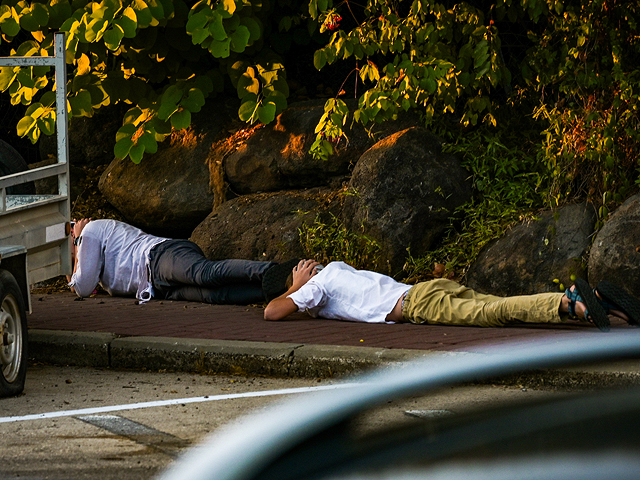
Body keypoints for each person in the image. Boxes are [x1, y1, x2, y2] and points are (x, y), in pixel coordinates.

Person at [264, 259, 640, 332]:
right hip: (425, 289)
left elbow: (273, 313)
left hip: (418, 303)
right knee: (496, 307)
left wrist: (295, 286)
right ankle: (599, 306)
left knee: (495, 314)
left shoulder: (316, 285)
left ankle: (567, 301)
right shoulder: (337, 268)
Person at [68, 218, 296, 305]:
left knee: (206, 273)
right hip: (157, 287)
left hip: (160, 256)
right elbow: (80, 284)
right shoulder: (87, 253)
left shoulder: (89, 231)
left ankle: (274, 272)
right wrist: (69, 265)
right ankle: (277, 291)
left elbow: (83, 287)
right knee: (215, 296)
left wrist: (79, 240)